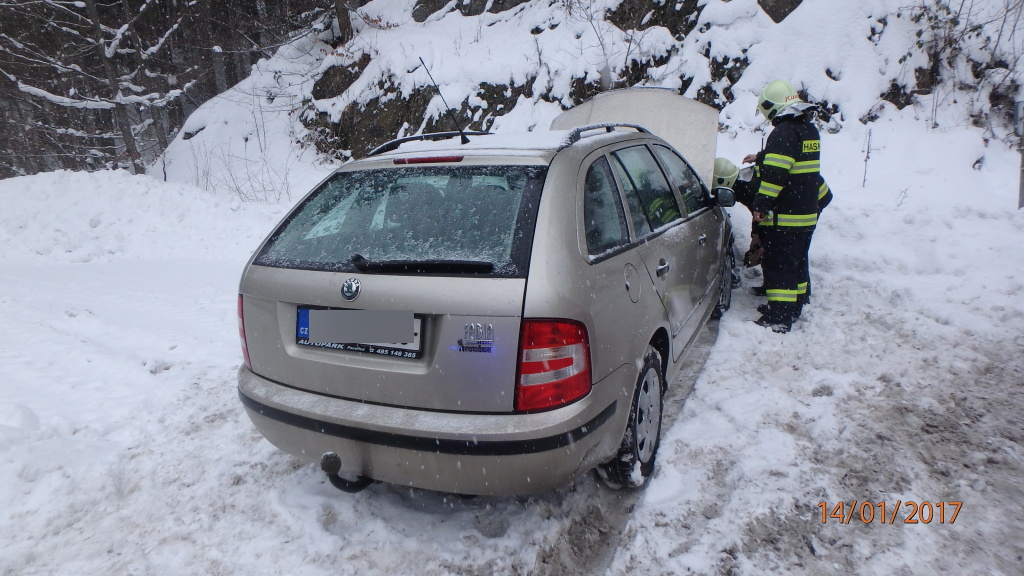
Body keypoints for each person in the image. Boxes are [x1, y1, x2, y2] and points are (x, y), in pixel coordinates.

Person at [743, 79, 824, 333]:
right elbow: (793, 159)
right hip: (806, 215)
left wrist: (761, 205)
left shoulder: (782, 133)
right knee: (797, 264)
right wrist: (762, 156)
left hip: (786, 216)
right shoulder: (808, 129)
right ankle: (794, 307)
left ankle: (779, 316)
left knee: (779, 266)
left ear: (772, 107)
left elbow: (776, 175)